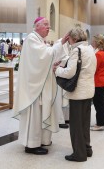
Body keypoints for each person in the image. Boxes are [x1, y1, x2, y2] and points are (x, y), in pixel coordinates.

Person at [13, 17, 69, 155]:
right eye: (45, 25)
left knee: (42, 112)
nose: (48, 28)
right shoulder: (32, 38)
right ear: (36, 26)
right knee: (35, 115)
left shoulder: (39, 40)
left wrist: (52, 64)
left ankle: (42, 140)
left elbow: (44, 60)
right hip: (33, 88)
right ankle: (31, 145)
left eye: (48, 25)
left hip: (39, 84)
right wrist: (61, 42)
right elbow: (43, 56)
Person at [54, 27, 96, 162]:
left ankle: (79, 154)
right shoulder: (89, 49)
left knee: (76, 125)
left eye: (69, 39)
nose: (69, 41)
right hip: (88, 91)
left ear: (75, 39)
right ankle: (86, 149)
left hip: (78, 92)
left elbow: (70, 73)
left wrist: (57, 70)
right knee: (84, 123)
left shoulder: (77, 50)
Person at [90, 34, 104, 131]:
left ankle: (100, 124)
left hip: (99, 82)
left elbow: (94, 68)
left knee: (99, 104)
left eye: (93, 41)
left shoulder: (99, 54)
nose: (92, 42)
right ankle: (100, 122)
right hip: (103, 81)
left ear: (97, 42)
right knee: (100, 103)